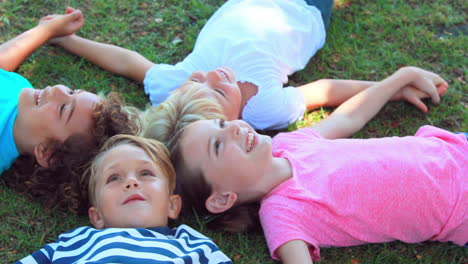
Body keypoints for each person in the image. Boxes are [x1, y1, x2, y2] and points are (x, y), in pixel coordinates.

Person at [168, 66, 467, 263]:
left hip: (453, 146)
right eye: (218, 145)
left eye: (221, 122)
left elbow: (348, 118)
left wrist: (401, 78)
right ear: (222, 198)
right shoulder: (283, 216)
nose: (232, 128)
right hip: (460, 208)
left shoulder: (288, 145)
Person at [48, 0, 431, 132]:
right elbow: (325, 90)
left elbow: (126, 62)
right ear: (233, 122)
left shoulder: (174, 91)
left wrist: (69, 39)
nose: (210, 75)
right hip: (306, 11)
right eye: (217, 89)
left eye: (196, 80)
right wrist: (392, 87)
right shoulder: (264, 108)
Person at [1, 9, 139, 213]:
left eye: (63, 109)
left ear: (46, 153)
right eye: (72, 91)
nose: (57, 89)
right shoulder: (21, 96)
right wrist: (47, 30)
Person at [15, 134, 232, 264]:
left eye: (145, 174)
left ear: (172, 205)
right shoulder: (77, 241)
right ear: (97, 215)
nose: (131, 182)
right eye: (114, 178)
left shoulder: (189, 242)